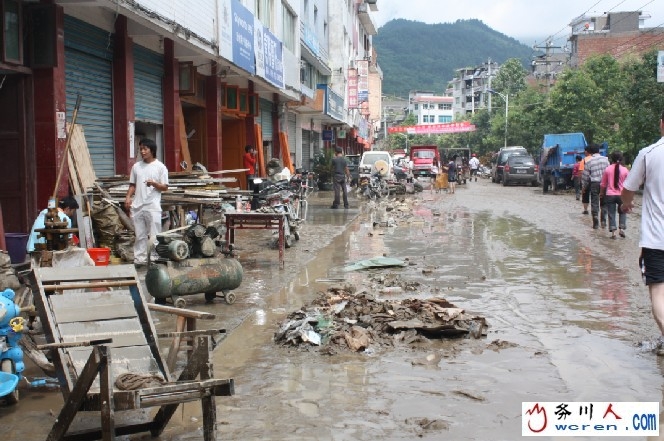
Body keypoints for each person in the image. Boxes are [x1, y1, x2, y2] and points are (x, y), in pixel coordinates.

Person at [621, 110, 664, 354]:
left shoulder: (648, 154)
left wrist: (626, 204)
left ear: (661, 124)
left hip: (656, 239)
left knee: (658, 292)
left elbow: (628, 189)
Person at [125, 138, 169, 266]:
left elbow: (165, 187)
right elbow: (132, 185)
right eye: (141, 149)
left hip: (152, 206)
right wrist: (128, 197)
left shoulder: (160, 167)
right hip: (137, 206)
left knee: (154, 235)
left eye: (145, 149)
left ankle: (155, 258)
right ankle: (140, 259)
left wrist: (154, 184)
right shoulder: (136, 167)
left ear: (152, 150)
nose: (142, 152)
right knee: (140, 235)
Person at [600, 151, 629, 239]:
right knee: (623, 211)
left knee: (611, 213)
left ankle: (613, 233)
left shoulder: (608, 169)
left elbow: (603, 184)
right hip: (621, 195)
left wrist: (601, 193)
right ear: (621, 158)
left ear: (611, 159)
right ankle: (622, 229)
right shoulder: (625, 170)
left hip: (610, 195)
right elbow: (628, 184)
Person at [581, 144, 609, 229]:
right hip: (605, 184)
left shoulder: (589, 162)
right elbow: (609, 172)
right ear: (599, 150)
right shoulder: (606, 160)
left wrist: (583, 187)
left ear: (590, 152)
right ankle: (603, 221)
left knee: (594, 202)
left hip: (594, 183)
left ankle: (595, 220)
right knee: (604, 202)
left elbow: (585, 176)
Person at [579, 146, 592, 214]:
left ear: (586, 151)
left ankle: (586, 210)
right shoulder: (595, 159)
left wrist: (582, 183)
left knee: (585, 195)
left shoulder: (583, 160)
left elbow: (581, 172)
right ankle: (595, 209)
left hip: (586, 180)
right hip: (596, 181)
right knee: (594, 196)